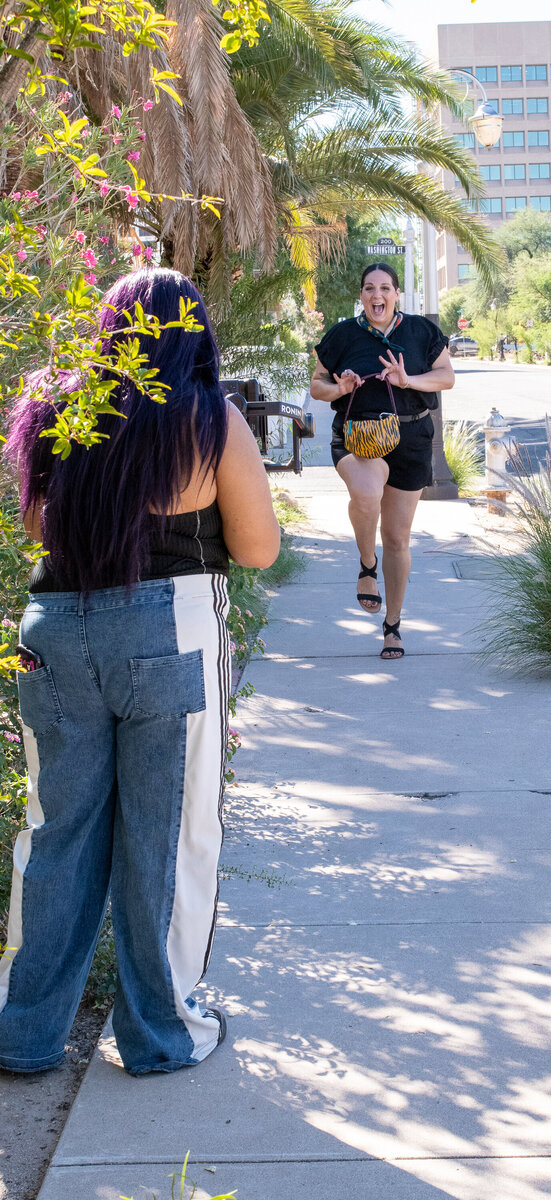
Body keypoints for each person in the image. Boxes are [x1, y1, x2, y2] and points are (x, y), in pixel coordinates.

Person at [0, 268, 280, 1076]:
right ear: (196, 333)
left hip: (55, 632)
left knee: (54, 836)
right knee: (169, 839)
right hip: (171, 632)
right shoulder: (208, 419)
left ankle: (23, 1034)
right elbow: (259, 549)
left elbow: (40, 528)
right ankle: (159, 1033)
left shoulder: (61, 408)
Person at [310, 263, 454, 659]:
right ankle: (367, 564)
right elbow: (317, 384)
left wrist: (409, 381)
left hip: (411, 437)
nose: (378, 296)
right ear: (361, 295)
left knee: (397, 538)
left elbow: (445, 377)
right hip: (360, 436)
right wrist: (336, 387)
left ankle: (392, 626)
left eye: (385, 288)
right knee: (367, 491)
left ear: (396, 294)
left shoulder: (421, 331)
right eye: (370, 288)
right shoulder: (343, 335)